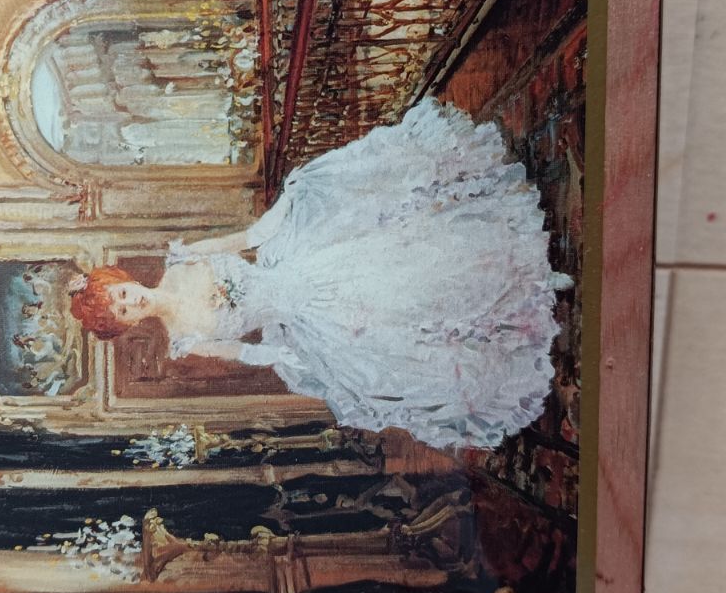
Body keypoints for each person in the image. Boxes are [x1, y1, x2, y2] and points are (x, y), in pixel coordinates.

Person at [68, 99, 573, 451]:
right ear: (127, 326)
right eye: (122, 311)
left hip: (307, 265)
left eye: (122, 294)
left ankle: (527, 271)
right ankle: (529, 305)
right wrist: (286, 355)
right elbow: (243, 351)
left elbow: (250, 237)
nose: (130, 302)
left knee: (410, 263)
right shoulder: (184, 339)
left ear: (124, 279)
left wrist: (287, 203)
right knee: (405, 322)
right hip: (312, 323)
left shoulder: (183, 260)